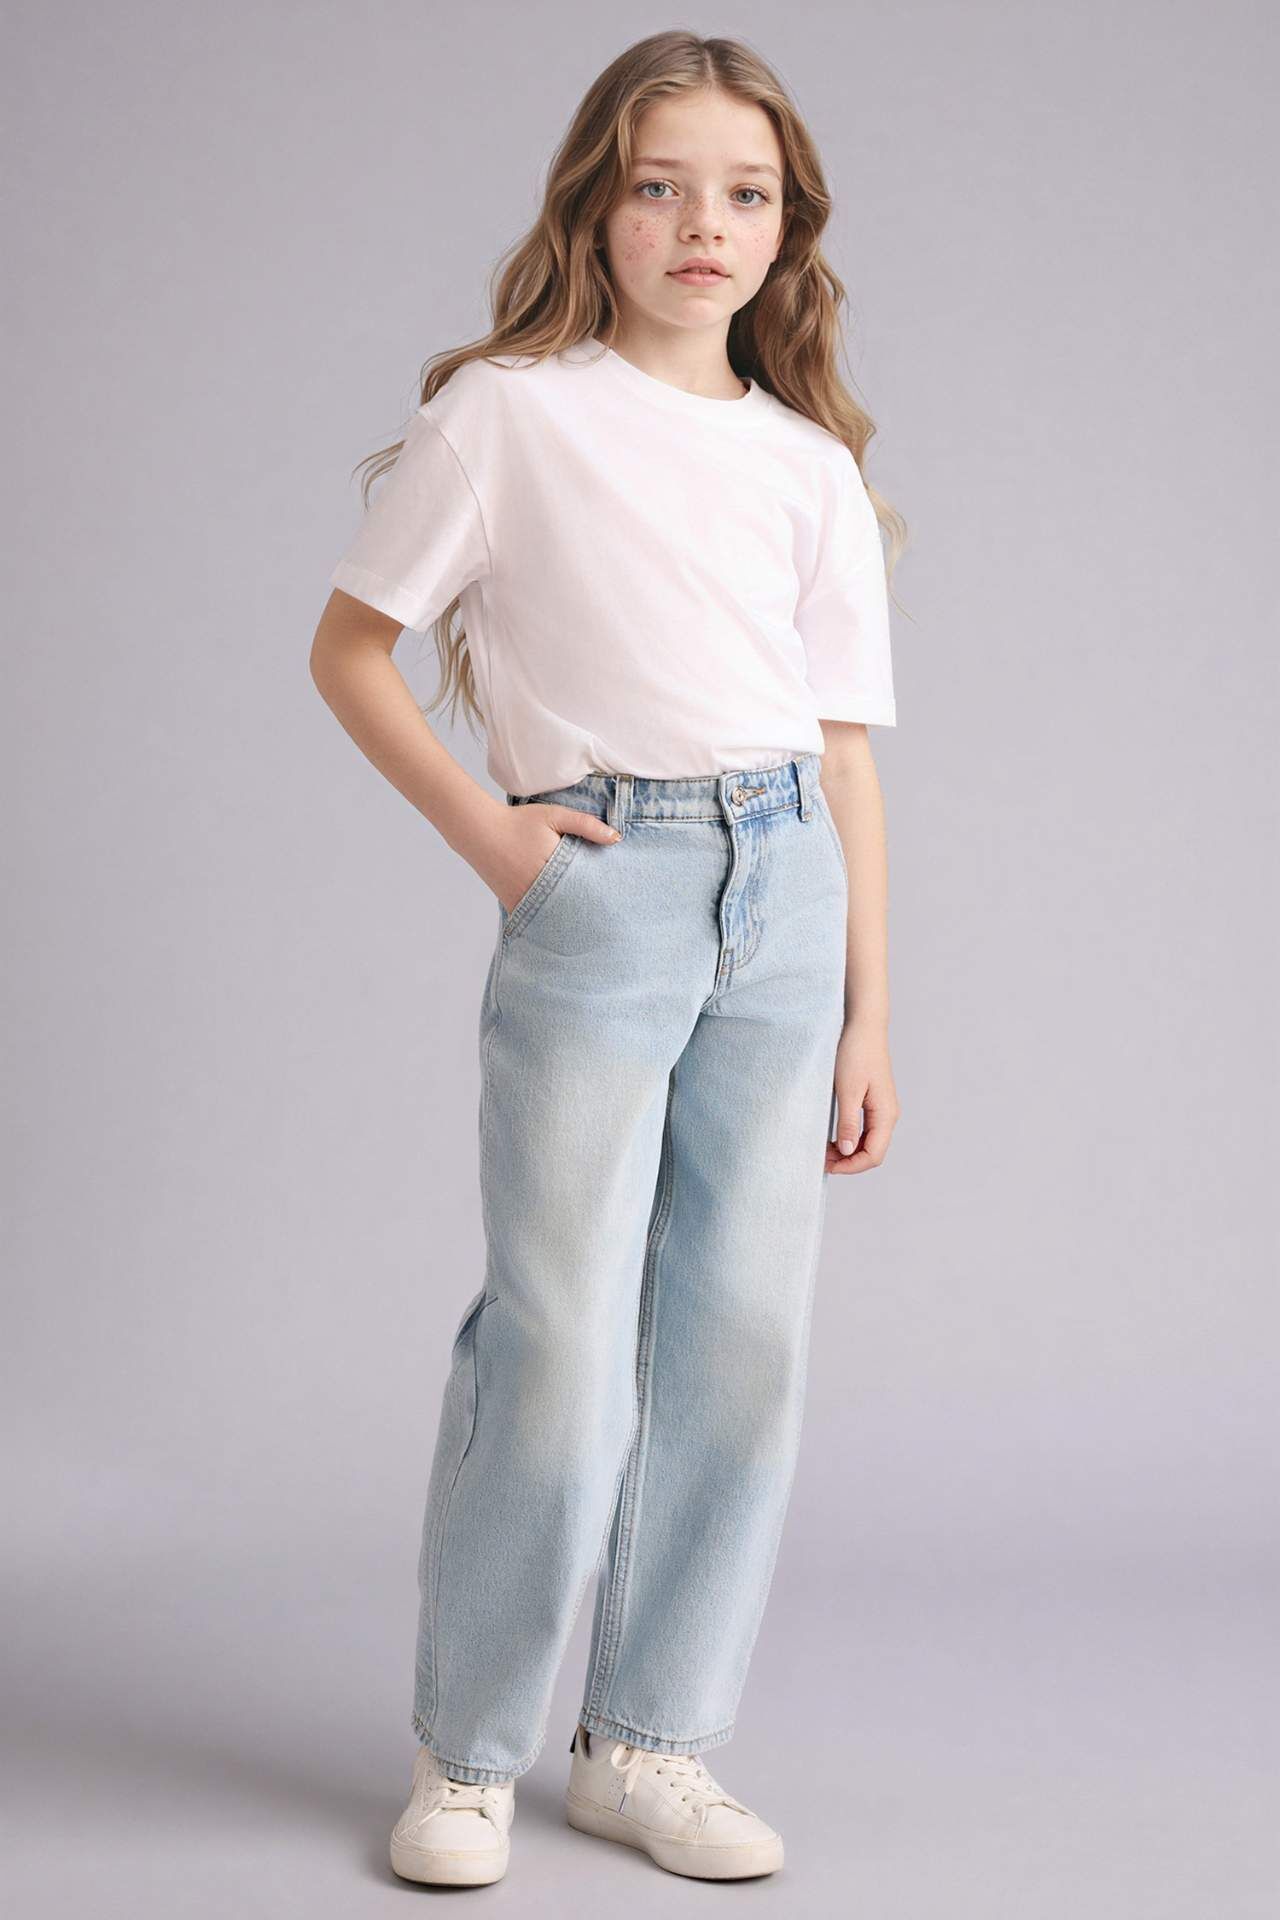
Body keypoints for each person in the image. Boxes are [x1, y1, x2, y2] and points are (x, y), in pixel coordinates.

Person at [311, 29, 904, 1889]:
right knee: (560, 1334)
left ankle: (651, 1744)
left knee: (739, 1337)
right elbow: (348, 649)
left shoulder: (807, 465)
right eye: (661, 186)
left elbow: (844, 755)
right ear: (599, 204)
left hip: (785, 894)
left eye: (745, 192)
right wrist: (493, 835)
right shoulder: (511, 413)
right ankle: (470, 1755)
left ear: (788, 226)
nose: (702, 224)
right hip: (605, 878)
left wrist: (872, 1008)